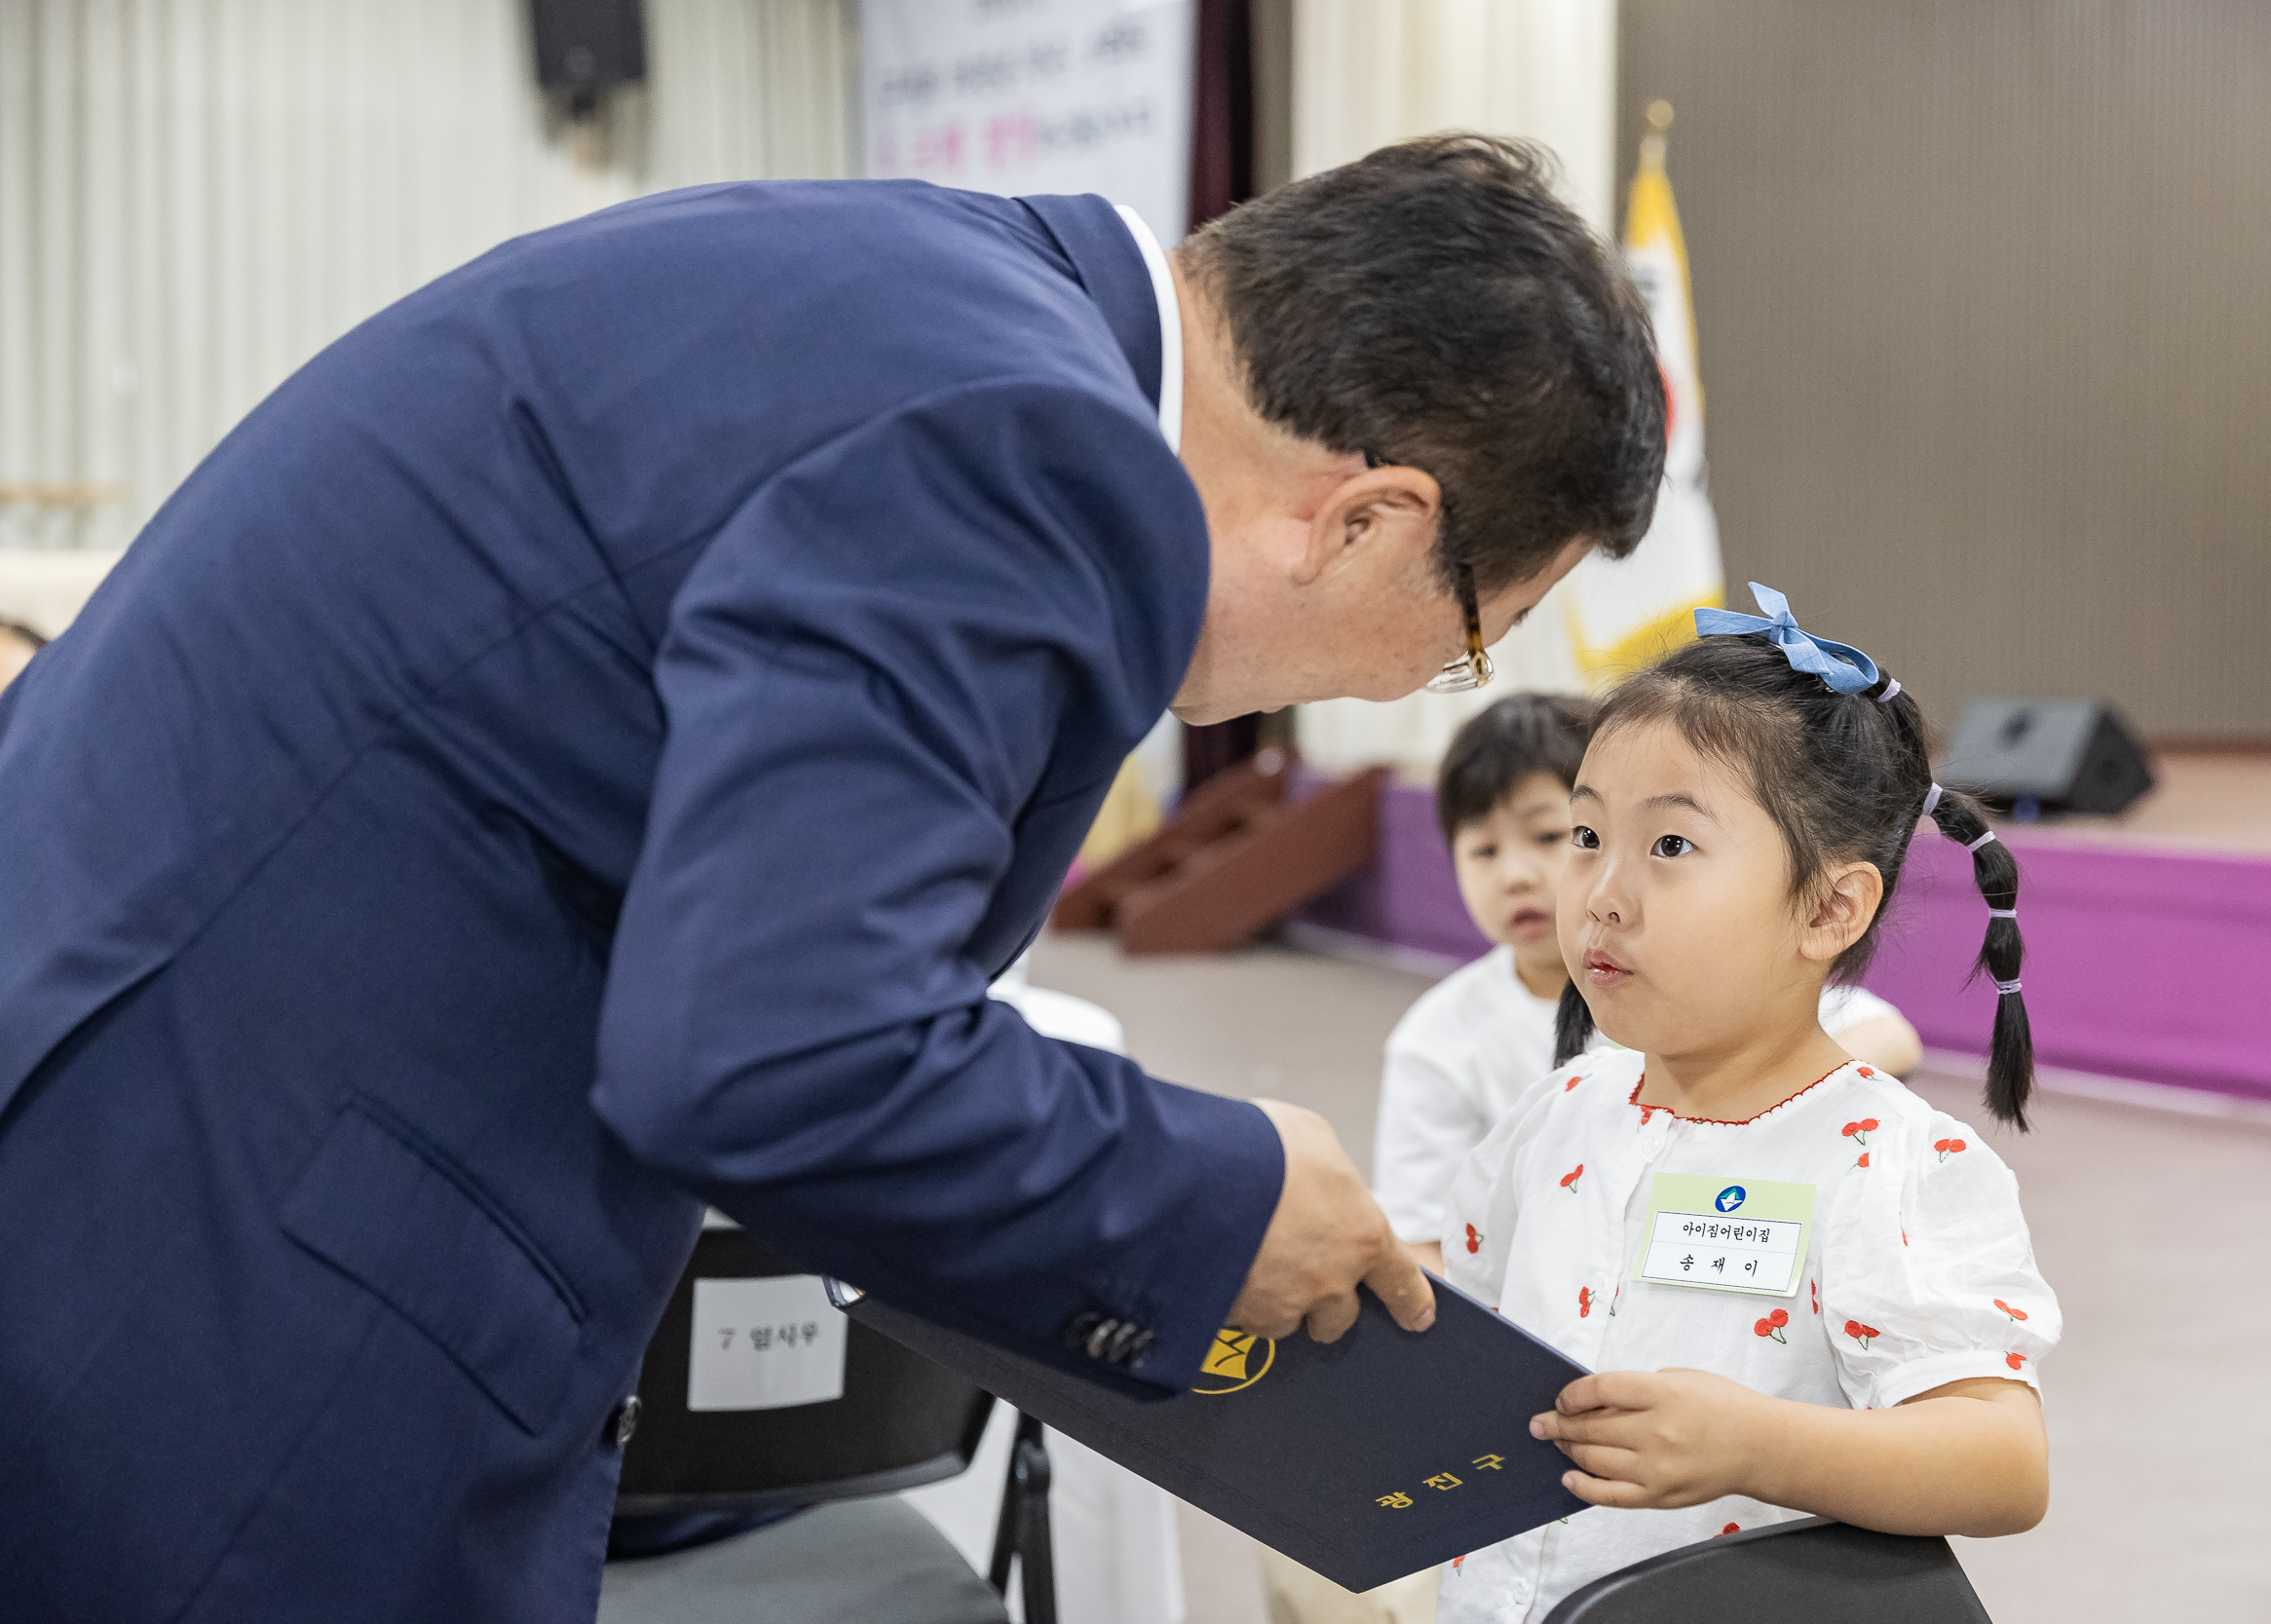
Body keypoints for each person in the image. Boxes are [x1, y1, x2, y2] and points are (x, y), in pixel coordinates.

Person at [0, 137, 1667, 1622]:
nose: (1398, 687)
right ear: (1369, 519)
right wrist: (1218, 1196)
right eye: (1466, 644)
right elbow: (776, 1044)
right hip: (242, 1272)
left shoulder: (931, 287)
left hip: (150, 1108)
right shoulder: (1042, 456)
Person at [1438, 589, 2055, 1622]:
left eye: (1669, 847)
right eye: (1585, 833)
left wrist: (1758, 1445)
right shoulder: (1559, 1113)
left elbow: (2001, 1461)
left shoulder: (1885, 1162)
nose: (1600, 892)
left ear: (1827, 906)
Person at [1374, 693, 1923, 1269]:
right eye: (1483, 850)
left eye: (1551, 837)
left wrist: (1747, 1096)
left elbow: (1888, 1035)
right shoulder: (1439, 1037)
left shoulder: (1708, 998)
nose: (1515, 876)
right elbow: (1422, 1240)